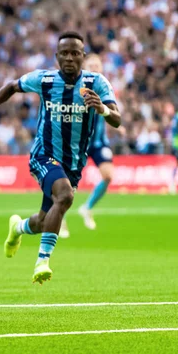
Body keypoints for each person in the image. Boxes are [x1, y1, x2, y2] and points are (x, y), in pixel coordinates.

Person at [0, 32, 121, 285]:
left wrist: (102, 108)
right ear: (57, 57)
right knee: (65, 196)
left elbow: (117, 117)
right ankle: (42, 261)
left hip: (73, 163)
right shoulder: (45, 79)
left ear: (82, 57)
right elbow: (10, 87)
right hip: (44, 155)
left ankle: (18, 228)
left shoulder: (97, 82)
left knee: (43, 220)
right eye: (64, 53)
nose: (70, 58)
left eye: (75, 53)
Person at [75, 53, 125, 233]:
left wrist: (118, 127)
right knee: (65, 182)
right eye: (92, 65)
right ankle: (60, 218)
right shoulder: (77, 87)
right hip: (78, 143)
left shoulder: (104, 87)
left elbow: (111, 112)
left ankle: (86, 207)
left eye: (98, 65)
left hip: (98, 144)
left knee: (108, 175)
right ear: (85, 67)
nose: (95, 68)